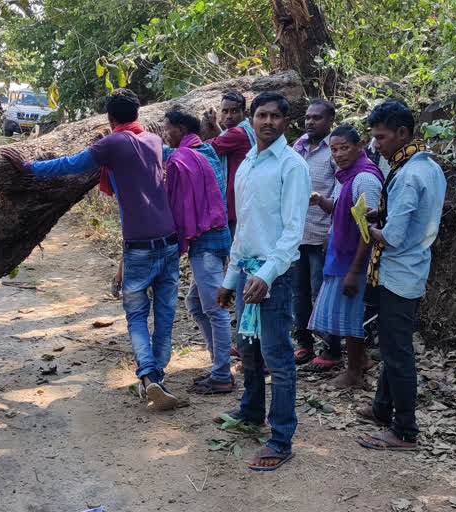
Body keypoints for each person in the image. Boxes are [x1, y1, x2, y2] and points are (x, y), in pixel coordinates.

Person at [0, 88, 182, 410]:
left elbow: (70, 165)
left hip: (137, 247)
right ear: (137, 113)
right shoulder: (154, 142)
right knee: (165, 314)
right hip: (169, 241)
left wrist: (28, 167)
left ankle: (149, 378)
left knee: (137, 315)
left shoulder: (111, 143)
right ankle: (159, 377)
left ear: (110, 118)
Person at [215, 92, 310, 471]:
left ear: (286, 122)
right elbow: (244, 230)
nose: (267, 121)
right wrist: (230, 278)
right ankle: (252, 411)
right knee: (247, 348)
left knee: (278, 357)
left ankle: (282, 436)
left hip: (276, 276)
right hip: (248, 273)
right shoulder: (248, 163)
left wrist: (266, 276)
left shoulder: (292, 166)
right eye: (261, 115)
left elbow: (292, 234)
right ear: (250, 120)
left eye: (275, 116)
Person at [356, 100, 446, 450]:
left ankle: (404, 430)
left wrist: (369, 227)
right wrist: (385, 212)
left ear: (402, 133)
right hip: (411, 268)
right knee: (393, 345)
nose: (376, 145)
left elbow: (392, 238)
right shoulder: (428, 167)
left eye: (380, 138)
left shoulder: (407, 175)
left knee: (397, 353)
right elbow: (414, 215)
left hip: (399, 272)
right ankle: (382, 409)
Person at [162, 107, 234, 394]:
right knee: (195, 304)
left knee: (216, 310)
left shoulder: (185, 156)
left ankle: (222, 375)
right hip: (215, 238)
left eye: (167, 128)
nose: (165, 133)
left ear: (180, 129)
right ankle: (218, 363)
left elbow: (159, 158)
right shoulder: (205, 151)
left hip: (207, 242)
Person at [306, 125, 383, 388]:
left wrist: (353, 270)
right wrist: (319, 200)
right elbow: (339, 208)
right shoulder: (346, 176)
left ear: (359, 146)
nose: (338, 154)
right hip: (341, 256)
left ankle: (353, 374)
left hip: (354, 260)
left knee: (350, 317)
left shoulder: (365, 180)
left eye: (344, 148)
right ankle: (359, 361)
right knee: (345, 314)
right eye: (334, 149)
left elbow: (368, 230)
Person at [290, 99, 341, 368]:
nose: (310, 122)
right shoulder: (299, 147)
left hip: (322, 235)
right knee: (299, 292)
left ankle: (330, 347)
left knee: (321, 291)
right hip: (298, 234)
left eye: (317, 118)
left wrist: (333, 232)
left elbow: (342, 192)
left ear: (330, 120)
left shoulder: (336, 149)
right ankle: (304, 344)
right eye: (308, 117)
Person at [203, 91, 256, 240]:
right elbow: (226, 139)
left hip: (237, 203)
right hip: (246, 199)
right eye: (225, 111)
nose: (229, 116)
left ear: (244, 113)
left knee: (238, 251)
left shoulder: (238, 133)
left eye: (234, 111)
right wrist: (214, 125)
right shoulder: (247, 129)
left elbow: (208, 148)